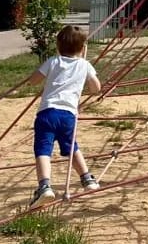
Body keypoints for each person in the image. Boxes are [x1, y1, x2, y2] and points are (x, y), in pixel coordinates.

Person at [26, 25, 101, 209]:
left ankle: (44, 186)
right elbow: (96, 88)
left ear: (58, 46)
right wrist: (84, 66)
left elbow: (33, 81)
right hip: (68, 115)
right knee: (72, 147)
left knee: (43, 150)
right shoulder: (84, 65)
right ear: (83, 48)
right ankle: (87, 178)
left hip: (47, 113)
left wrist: (37, 78)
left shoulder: (53, 61)